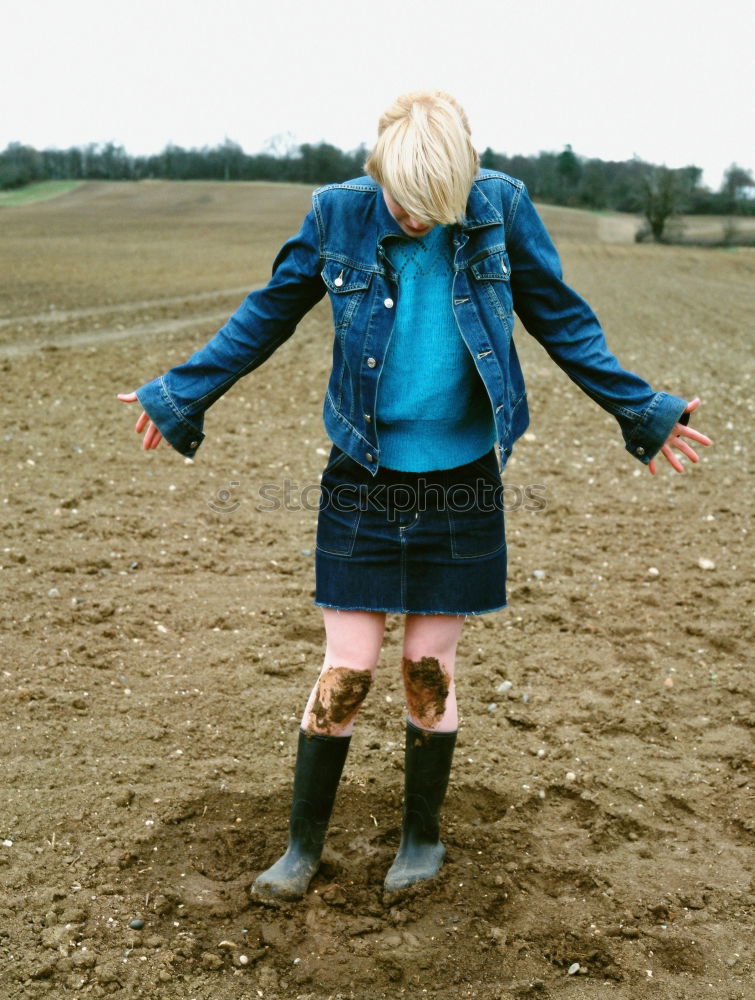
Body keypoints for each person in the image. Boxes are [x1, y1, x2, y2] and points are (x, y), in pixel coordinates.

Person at [118, 90, 711, 902]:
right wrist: (179, 394)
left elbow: (562, 321)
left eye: (436, 210)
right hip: (361, 475)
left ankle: (421, 837)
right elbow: (266, 315)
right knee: (349, 669)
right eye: (404, 206)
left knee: (426, 666)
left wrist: (641, 409)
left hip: (462, 478)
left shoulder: (498, 208)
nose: (418, 223)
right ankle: (302, 847)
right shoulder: (336, 215)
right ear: (378, 174)